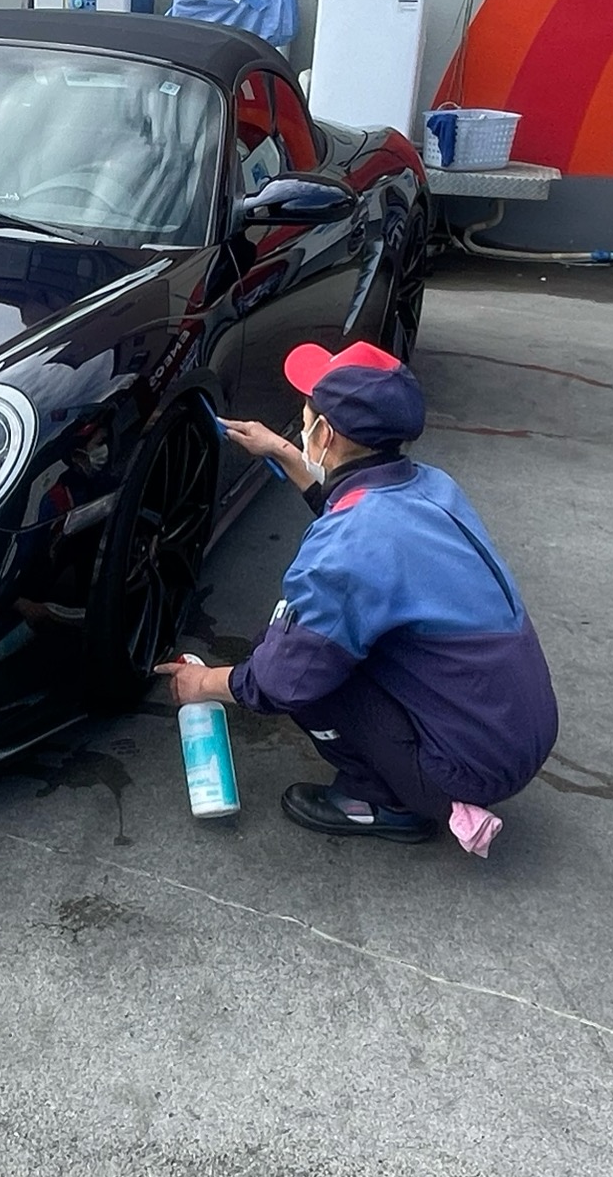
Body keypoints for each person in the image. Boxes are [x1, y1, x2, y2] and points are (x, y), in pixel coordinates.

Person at [154, 341, 557, 853]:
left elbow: (283, 678)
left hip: (469, 769)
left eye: (307, 414)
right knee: (310, 642)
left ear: (323, 433)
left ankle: (383, 802)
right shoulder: (430, 487)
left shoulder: (349, 548)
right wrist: (282, 452)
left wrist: (203, 683)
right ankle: (418, 776)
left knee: (291, 660)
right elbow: (355, 516)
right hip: (516, 730)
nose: (302, 425)